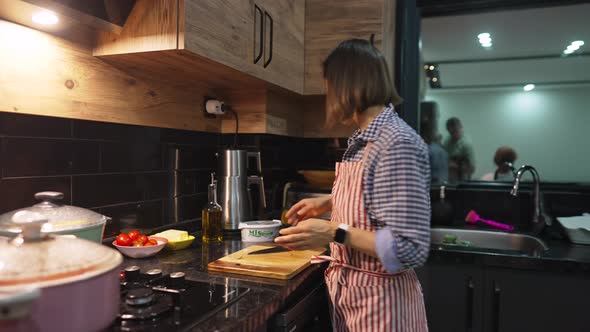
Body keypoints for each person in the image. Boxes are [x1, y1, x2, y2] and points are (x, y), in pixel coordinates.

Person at [275, 39, 430, 331]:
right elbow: (377, 193)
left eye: (329, 86)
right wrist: (330, 201)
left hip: (384, 309)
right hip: (356, 300)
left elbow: (410, 248)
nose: (328, 95)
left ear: (346, 86)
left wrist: (334, 230)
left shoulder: (396, 142)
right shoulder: (363, 142)